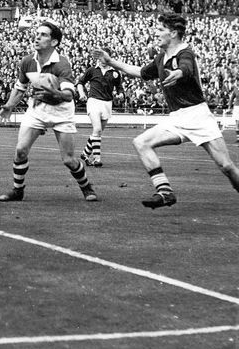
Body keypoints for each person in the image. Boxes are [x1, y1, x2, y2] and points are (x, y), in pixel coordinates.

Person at [93, 13, 239, 208]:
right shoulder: (161, 57)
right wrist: (110, 62)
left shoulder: (184, 52)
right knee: (141, 142)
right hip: (177, 117)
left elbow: (186, 67)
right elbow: (139, 72)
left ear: (173, 33)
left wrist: (178, 73)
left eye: (160, 29)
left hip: (198, 115)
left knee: (227, 166)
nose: (156, 33)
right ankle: (165, 192)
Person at [0, 19, 97, 202]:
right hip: (37, 109)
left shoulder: (62, 64)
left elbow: (68, 95)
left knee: (69, 160)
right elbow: (20, 88)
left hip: (61, 112)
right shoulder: (27, 61)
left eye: (43, 34)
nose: (37, 37)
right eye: (37, 33)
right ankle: (18, 190)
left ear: (54, 42)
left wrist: (52, 90)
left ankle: (87, 187)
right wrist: (9, 105)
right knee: (20, 151)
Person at [77, 53, 124, 167]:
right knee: (97, 129)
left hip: (107, 103)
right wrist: (82, 93)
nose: (103, 60)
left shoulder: (115, 73)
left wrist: (121, 94)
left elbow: (119, 87)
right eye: (101, 57)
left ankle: (85, 154)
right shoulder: (92, 70)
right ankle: (97, 159)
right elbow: (80, 83)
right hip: (93, 101)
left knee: (97, 132)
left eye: (105, 57)